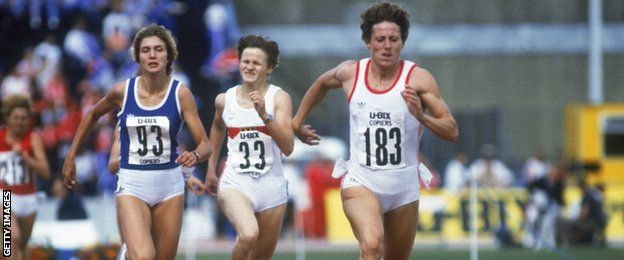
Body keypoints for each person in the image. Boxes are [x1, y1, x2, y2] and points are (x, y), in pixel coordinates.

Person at [292, 2, 458, 259]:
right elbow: (321, 84)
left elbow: (451, 130)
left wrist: (421, 117)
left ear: (403, 42)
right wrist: (296, 122)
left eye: (394, 39)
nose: (387, 46)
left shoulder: (418, 79)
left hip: (404, 186)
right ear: (368, 42)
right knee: (371, 245)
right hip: (362, 180)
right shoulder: (350, 73)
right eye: (380, 39)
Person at [62, 24, 210, 259]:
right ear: (137, 57)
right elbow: (92, 114)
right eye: (146, 50)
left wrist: (195, 155)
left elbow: (206, 144)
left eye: (159, 49)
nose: (152, 55)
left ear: (169, 55)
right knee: (143, 257)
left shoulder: (181, 93)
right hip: (133, 183)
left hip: (169, 185)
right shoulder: (122, 91)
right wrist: (71, 155)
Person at [203, 34, 294, 260]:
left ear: (269, 68)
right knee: (248, 235)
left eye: (256, 63)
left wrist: (265, 116)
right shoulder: (224, 100)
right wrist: (211, 168)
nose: (249, 67)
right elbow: (217, 128)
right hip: (236, 181)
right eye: (245, 61)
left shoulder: (279, 98)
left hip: (272, 185)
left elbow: (288, 146)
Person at [0, 95, 51, 259]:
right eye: (16, 118)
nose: (20, 122)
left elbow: (45, 171)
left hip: (28, 198)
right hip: (5, 195)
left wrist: (25, 157)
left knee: (21, 246)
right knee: (12, 237)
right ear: (7, 118)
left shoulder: (33, 138)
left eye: (23, 118)